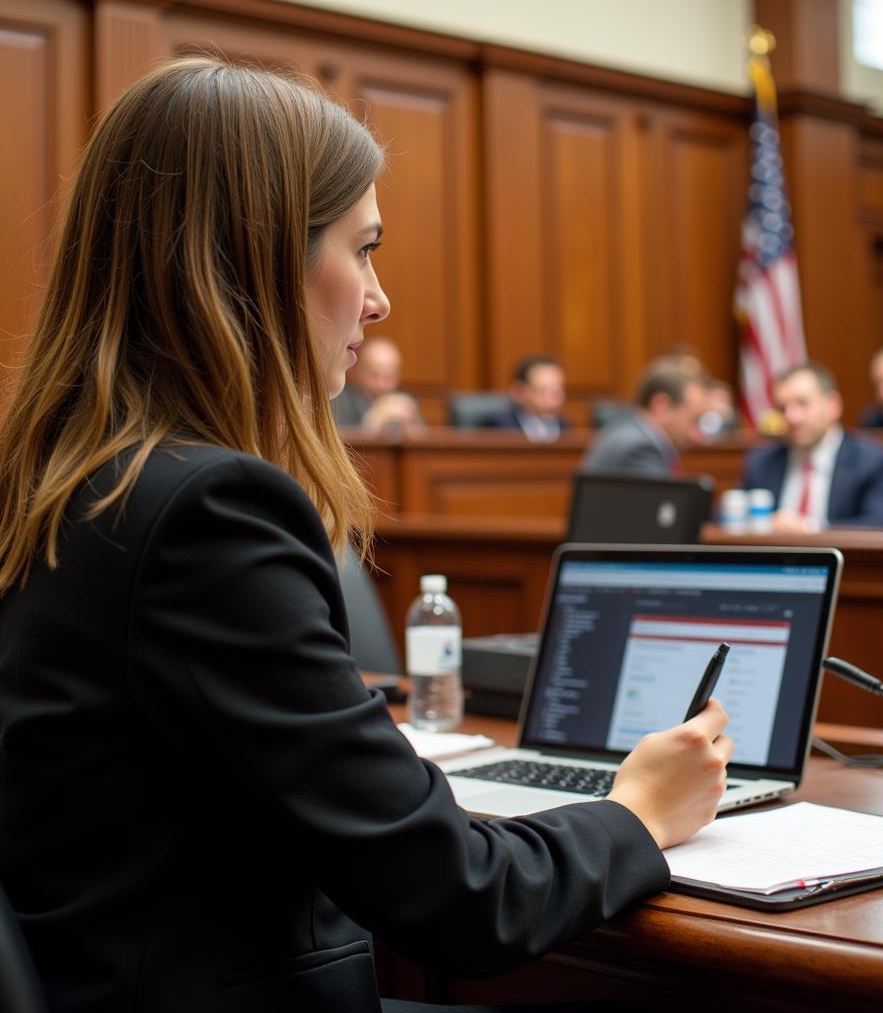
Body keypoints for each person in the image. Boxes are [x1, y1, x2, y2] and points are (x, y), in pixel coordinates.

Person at [0, 58, 734, 1013]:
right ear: (252, 260)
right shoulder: (205, 512)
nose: (380, 299)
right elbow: (462, 901)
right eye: (365, 248)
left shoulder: (59, 480)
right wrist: (638, 811)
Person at [742, 363, 883, 530]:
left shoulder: (871, 461)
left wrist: (810, 528)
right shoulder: (762, 462)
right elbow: (730, 520)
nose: (791, 417)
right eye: (782, 408)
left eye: (802, 403)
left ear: (833, 405)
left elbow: (882, 524)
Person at [582, 360, 708, 476]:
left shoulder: (627, 430)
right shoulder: (641, 449)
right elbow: (660, 499)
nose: (698, 437)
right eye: (693, 420)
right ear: (661, 405)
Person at [331, 335, 424, 431]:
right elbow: (341, 442)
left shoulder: (404, 401)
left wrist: (411, 426)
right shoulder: (340, 401)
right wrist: (373, 421)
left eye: (388, 377)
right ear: (356, 371)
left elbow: (423, 441)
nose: (381, 384)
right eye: (374, 375)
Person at [483, 355, 570, 441]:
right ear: (519, 392)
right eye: (542, 391)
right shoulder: (499, 426)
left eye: (557, 391)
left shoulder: (563, 426)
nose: (553, 400)